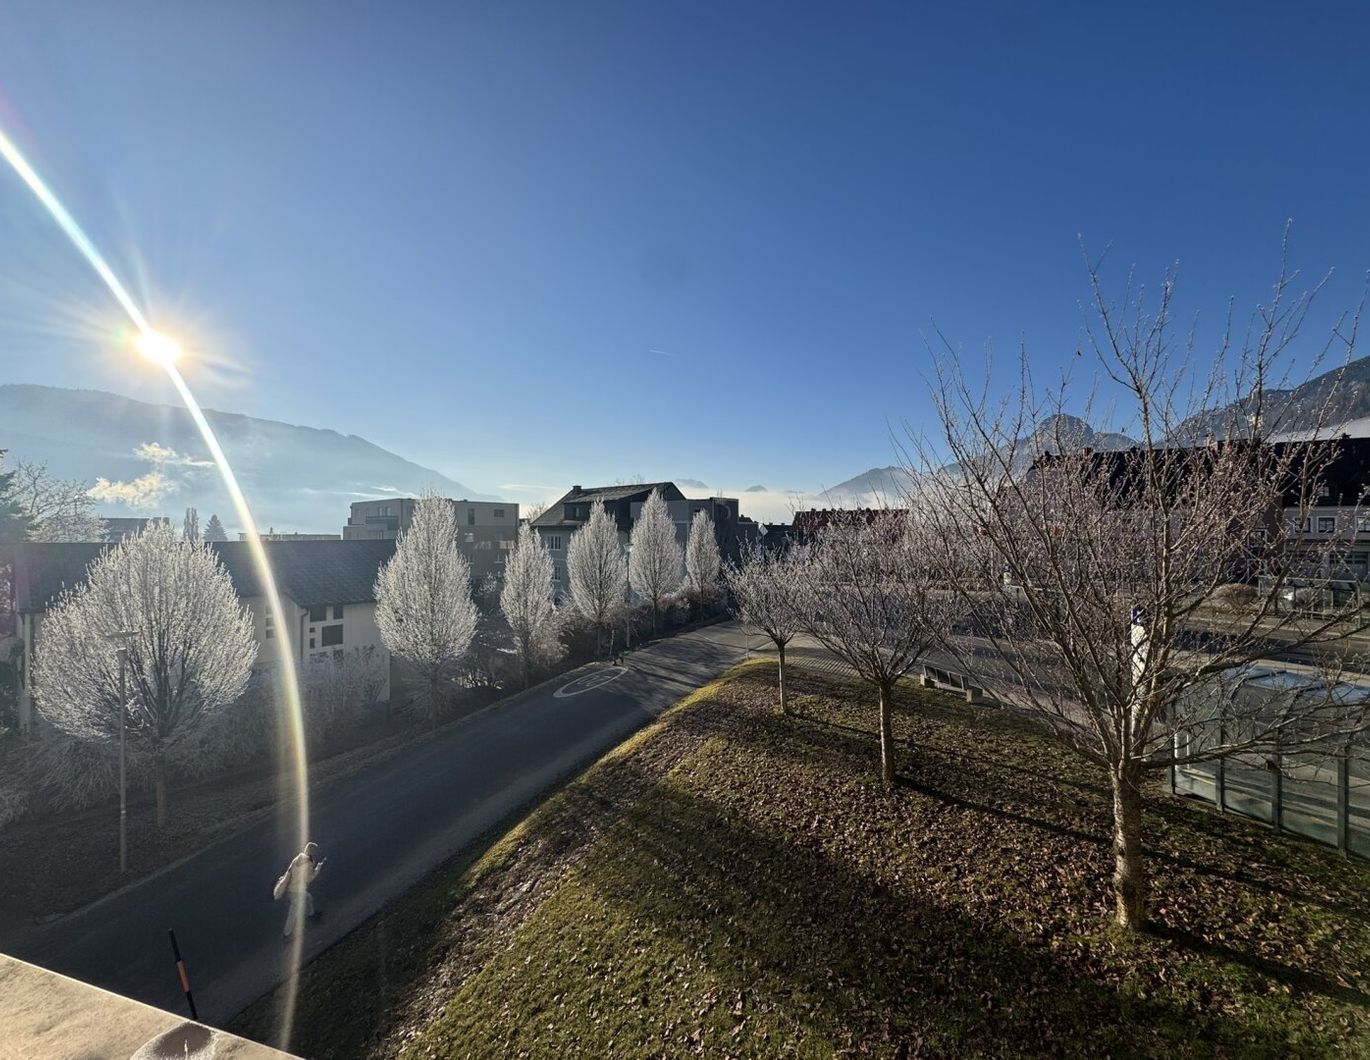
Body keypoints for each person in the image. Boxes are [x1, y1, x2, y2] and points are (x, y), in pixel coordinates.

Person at [274, 841, 325, 939]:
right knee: (293, 912)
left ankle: (311, 914)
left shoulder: (297, 858)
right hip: (296, 891)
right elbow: (308, 879)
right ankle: (287, 934)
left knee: (308, 897)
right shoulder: (308, 864)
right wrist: (318, 869)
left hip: (291, 888)